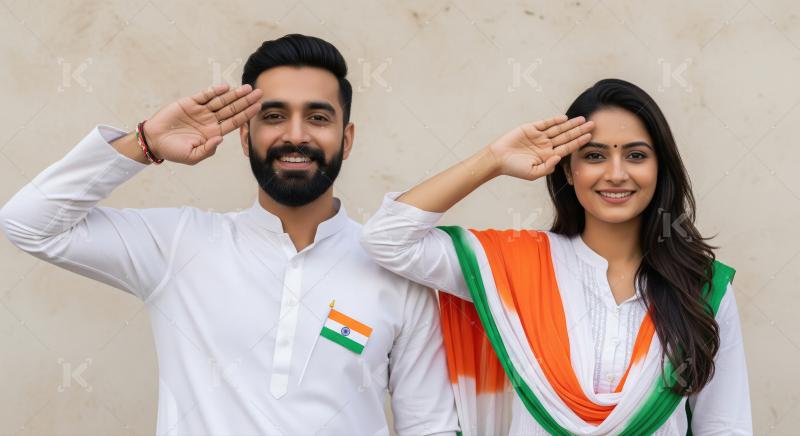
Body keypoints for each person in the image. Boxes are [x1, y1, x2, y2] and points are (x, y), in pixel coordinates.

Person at [0, 34, 458, 435]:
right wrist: (144, 143)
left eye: (318, 118)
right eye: (274, 116)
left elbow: (431, 427)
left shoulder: (399, 270)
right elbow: (28, 222)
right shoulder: (180, 245)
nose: (295, 136)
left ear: (348, 138)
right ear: (244, 136)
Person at [361, 79, 752, 435]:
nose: (616, 174)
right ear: (567, 169)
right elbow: (387, 238)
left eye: (635, 156)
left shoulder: (700, 289)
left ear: (659, 168)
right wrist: (493, 160)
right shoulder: (511, 269)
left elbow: (725, 426)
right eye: (595, 156)